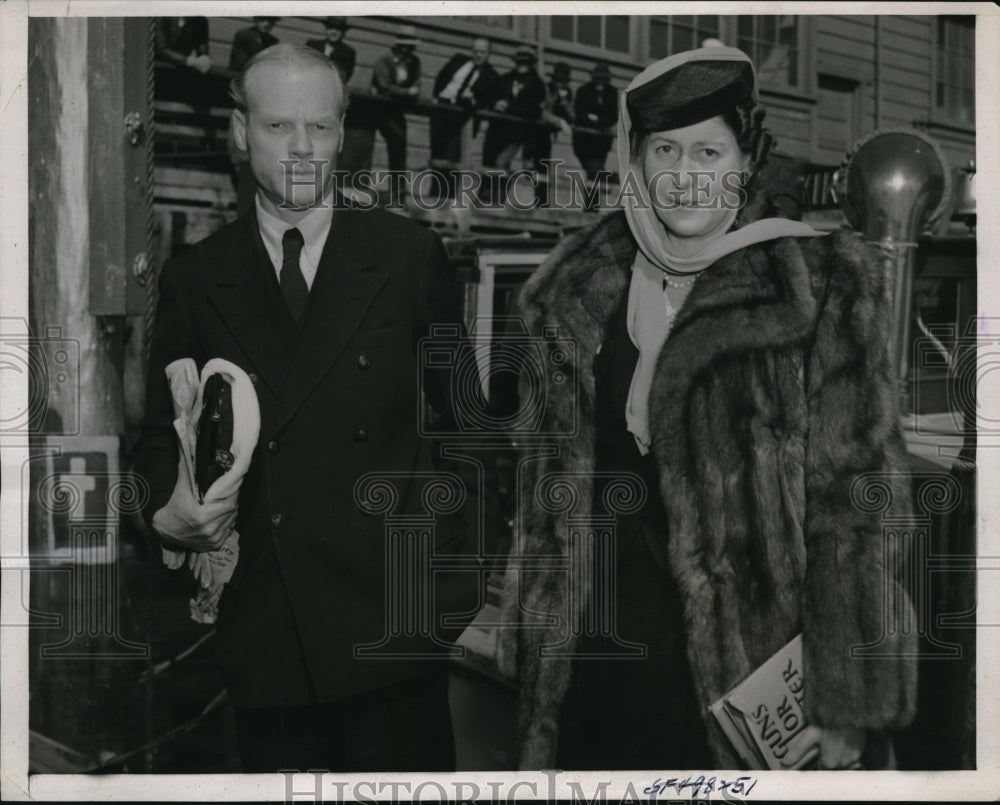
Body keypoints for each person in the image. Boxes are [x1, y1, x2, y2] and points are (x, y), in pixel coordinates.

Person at [499, 46, 917, 771]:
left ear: (745, 156)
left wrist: (848, 699)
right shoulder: (572, 291)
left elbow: (859, 507)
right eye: (666, 150)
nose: (687, 176)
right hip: (595, 674)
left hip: (748, 681)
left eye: (708, 150)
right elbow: (540, 499)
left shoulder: (815, 288)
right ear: (636, 158)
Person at [135, 44, 483, 773]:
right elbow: (157, 438)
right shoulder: (198, 278)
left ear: (343, 132)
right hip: (267, 636)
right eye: (277, 126)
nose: (301, 149)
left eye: (320, 129)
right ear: (239, 131)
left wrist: (445, 599)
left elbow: (465, 434)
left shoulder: (406, 254)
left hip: (392, 638)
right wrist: (160, 509)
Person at [227, 17, 280, 215]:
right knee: (241, 159)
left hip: (265, 105)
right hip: (245, 101)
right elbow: (241, 67)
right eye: (263, 19)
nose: (266, 24)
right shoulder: (243, 36)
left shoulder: (273, 43)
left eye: (271, 21)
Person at [429, 37, 498, 165]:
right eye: (475, 52)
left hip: (462, 118)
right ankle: (436, 185)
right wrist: (436, 96)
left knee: (452, 159)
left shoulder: (492, 76)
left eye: (482, 53)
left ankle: (449, 185)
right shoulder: (458, 60)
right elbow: (441, 77)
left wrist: (472, 102)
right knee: (436, 155)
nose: (478, 55)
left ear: (488, 54)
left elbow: (487, 100)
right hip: (442, 109)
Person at [481, 45, 545, 171]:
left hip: (517, 134)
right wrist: (496, 103)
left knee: (500, 164)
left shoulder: (537, 84)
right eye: (519, 62)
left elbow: (533, 109)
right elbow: (488, 97)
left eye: (526, 62)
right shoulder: (505, 79)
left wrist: (509, 108)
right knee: (488, 165)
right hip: (497, 130)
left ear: (531, 64)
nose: (522, 65)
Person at [370, 27, 422, 174]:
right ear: (397, 45)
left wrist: (407, 93)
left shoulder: (414, 63)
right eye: (403, 47)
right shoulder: (384, 59)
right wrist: (406, 92)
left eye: (410, 47)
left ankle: (398, 189)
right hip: (378, 109)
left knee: (400, 143)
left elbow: (417, 86)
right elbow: (383, 87)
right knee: (396, 138)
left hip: (395, 110)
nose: (406, 51)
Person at [572, 62, 617, 210]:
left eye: (604, 79)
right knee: (595, 170)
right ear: (593, 78)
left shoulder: (612, 93)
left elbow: (612, 117)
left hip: (602, 143)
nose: (600, 82)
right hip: (584, 142)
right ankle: (609, 180)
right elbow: (581, 115)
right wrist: (600, 121)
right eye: (598, 79)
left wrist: (596, 119)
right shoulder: (583, 91)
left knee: (594, 174)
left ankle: (591, 208)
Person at [305, 16, 356, 83]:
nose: (334, 32)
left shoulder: (348, 52)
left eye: (338, 29)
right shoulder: (312, 45)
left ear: (343, 33)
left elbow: (344, 78)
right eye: (330, 28)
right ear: (326, 29)